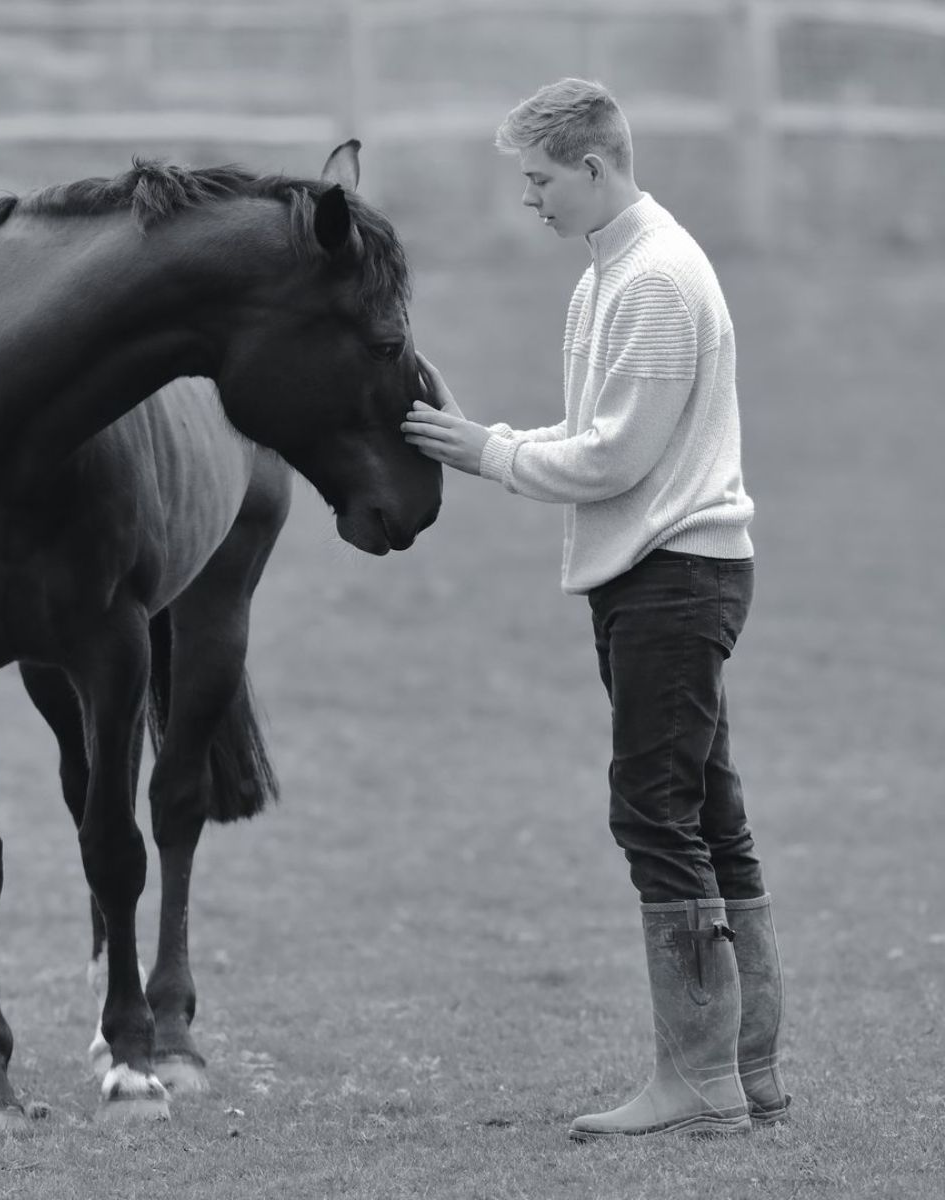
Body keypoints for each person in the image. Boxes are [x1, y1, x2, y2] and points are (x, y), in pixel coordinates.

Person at [402, 78, 790, 1140]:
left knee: (653, 812)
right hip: (654, 574)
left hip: (674, 576)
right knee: (707, 810)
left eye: (539, 179)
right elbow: (609, 433)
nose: (530, 200)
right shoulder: (607, 277)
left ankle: (700, 1082)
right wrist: (499, 439)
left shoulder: (655, 278)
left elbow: (618, 455)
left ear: (593, 165)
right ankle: (745, 1070)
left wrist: (488, 451)